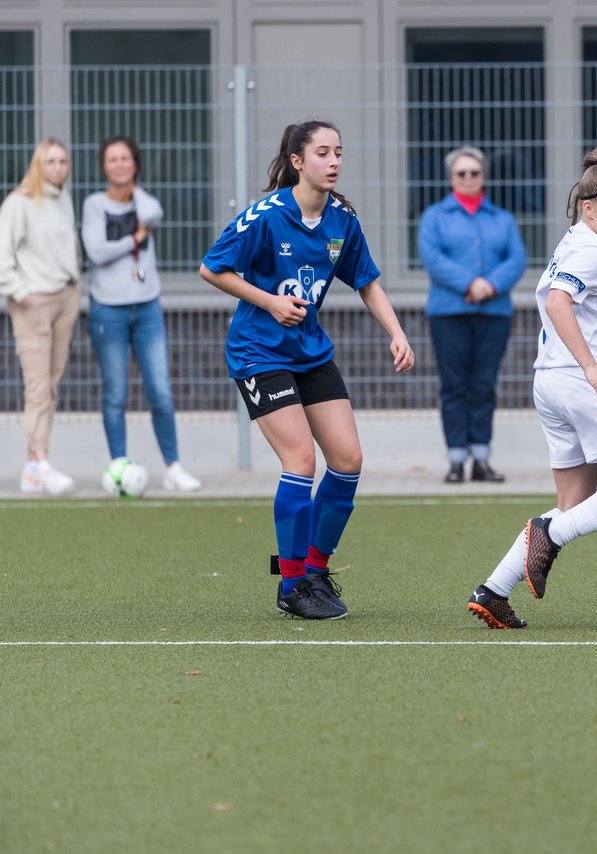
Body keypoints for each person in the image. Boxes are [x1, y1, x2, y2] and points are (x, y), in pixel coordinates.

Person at [198, 120, 415, 620]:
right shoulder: (267, 216)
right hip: (259, 353)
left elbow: (367, 282)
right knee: (300, 461)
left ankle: (314, 569)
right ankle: (290, 586)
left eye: (339, 151)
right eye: (322, 152)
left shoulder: (342, 220)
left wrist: (397, 332)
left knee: (348, 460)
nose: (334, 161)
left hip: (310, 352)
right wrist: (270, 302)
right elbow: (212, 268)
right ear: (298, 161)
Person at [465, 148, 597, 630]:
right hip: (583, 382)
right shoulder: (589, 248)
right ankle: (549, 533)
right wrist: (592, 368)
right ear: (589, 208)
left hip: (551, 383)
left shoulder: (578, 243)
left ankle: (494, 590)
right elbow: (559, 302)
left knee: (574, 504)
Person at [82, 136, 201, 493]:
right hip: (109, 310)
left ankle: (173, 467)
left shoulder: (144, 202)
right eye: (112, 159)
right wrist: (134, 239)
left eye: (126, 158)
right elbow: (96, 252)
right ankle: (118, 465)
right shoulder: (94, 205)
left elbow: (153, 213)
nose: (119, 165)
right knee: (115, 391)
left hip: (147, 308)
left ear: (135, 163)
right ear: (103, 165)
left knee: (160, 391)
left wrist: (134, 203)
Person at [418, 146, 527, 483]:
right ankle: (455, 460)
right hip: (448, 314)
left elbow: (517, 258)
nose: (468, 178)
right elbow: (432, 258)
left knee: (483, 385)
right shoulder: (435, 217)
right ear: (451, 178)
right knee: (453, 385)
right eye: (461, 173)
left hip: (493, 313)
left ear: (483, 176)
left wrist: (489, 286)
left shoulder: (502, 219)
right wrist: (469, 283)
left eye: (474, 173)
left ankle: (481, 458)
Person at [0, 139, 79, 496]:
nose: (58, 167)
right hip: (33, 302)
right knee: (37, 387)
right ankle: (41, 462)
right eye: (50, 161)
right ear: (38, 164)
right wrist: (20, 293)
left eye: (63, 161)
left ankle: (33, 467)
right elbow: (3, 255)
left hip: (65, 298)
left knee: (51, 383)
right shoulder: (18, 203)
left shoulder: (63, 199)